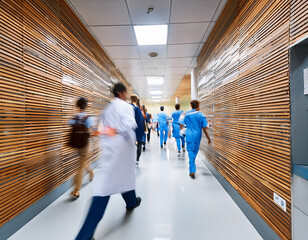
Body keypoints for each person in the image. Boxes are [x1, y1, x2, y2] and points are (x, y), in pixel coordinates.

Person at [75, 83, 141, 240]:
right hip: (122, 152)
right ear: (121, 93)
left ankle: (132, 201)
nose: (126, 94)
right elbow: (129, 125)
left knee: (123, 178)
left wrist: (106, 132)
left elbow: (100, 130)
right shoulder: (125, 107)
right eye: (125, 92)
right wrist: (114, 130)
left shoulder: (108, 109)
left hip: (111, 152)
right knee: (103, 189)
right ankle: (84, 236)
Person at [69, 97, 95, 199]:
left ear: (77, 106)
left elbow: (68, 124)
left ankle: (76, 190)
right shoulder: (88, 118)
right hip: (85, 144)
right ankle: (91, 172)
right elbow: (92, 132)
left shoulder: (74, 118)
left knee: (80, 165)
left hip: (77, 144)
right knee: (82, 163)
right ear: (86, 106)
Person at [182, 100, 211, 179]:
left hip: (189, 136)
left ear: (191, 105)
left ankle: (192, 168)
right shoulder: (201, 115)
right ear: (198, 106)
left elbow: (182, 123)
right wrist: (209, 138)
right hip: (197, 136)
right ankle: (192, 169)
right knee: (194, 152)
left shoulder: (187, 114)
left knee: (191, 152)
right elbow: (205, 127)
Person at [130, 95, 146, 162]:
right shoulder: (138, 109)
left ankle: (132, 158)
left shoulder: (129, 107)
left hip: (131, 130)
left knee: (132, 145)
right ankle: (137, 158)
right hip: (138, 129)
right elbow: (141, 120)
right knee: (139, 144)